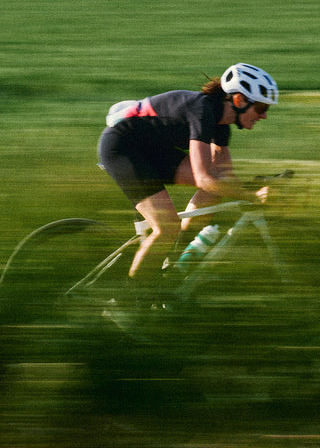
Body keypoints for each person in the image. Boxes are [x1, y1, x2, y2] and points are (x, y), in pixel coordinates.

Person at [97, 63, 279, 305]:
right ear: (238, 100)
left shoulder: (221, 124)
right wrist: (253, 196)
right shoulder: (202, 111)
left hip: (151, 151)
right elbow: (205, 178)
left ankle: (175, 259)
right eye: (261, 107)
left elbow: (224, 178)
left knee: (215, 191)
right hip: (122, 148)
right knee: (166, 226)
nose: (264, 115)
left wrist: (258, 186)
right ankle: (127, 303)